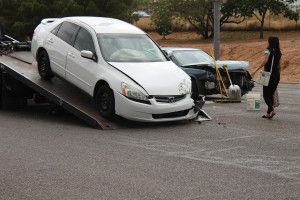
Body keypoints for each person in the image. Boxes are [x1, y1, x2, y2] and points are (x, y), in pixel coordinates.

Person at [252, 36, 282, 119]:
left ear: (270, 42)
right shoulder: (279, 52)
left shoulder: (268, 50)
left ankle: (272, 110)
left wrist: (255, 70)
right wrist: (277, 75)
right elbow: (280, 67)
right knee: (271, 95)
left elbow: (265, 61)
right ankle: (268, 114)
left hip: (268, 75)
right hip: (277, 76)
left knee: (266, 95)